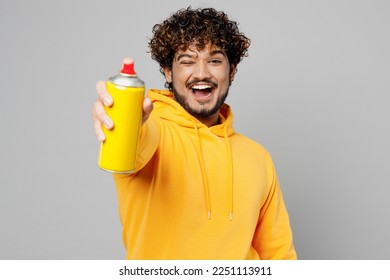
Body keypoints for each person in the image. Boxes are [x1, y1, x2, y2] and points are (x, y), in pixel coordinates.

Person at [93, 7, 297, 260]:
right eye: (187, 61)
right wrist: (123, 120)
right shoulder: (153, 131)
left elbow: (278, 255)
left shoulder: (258, 157)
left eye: (214, 60)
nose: (201, 73)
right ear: (168, 71)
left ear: (231, 71)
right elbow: (135, 140)